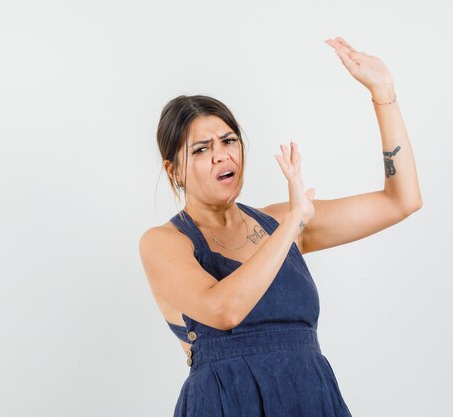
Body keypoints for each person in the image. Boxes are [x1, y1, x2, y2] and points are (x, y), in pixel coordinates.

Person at [139, 36, 422, 417]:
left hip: (313, 401)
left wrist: (383, 93)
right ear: (173, 171)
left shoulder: (283, 220)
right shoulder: (164, 242)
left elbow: (401, 201)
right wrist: (293, 222)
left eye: (229, 140)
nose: (221, 154)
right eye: (201, 149)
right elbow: (225, 310)